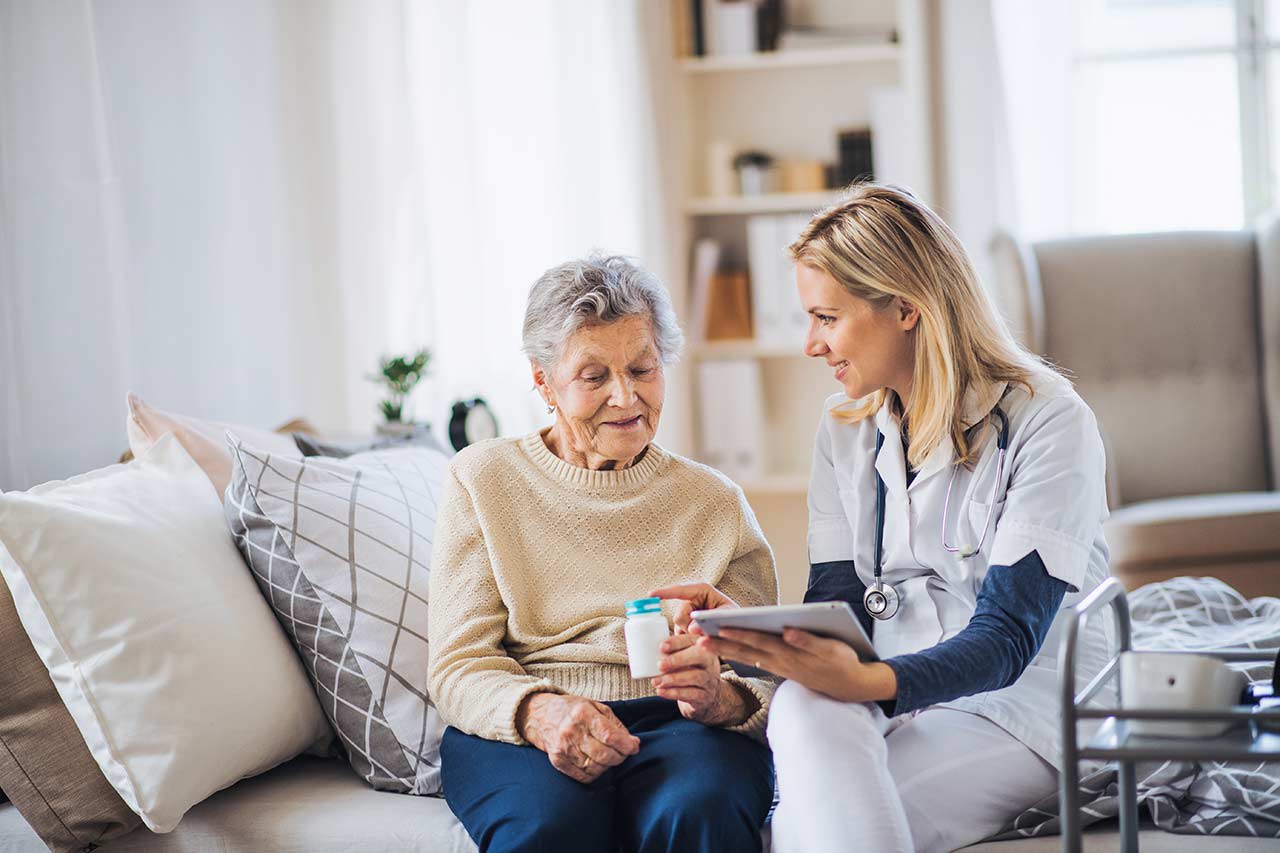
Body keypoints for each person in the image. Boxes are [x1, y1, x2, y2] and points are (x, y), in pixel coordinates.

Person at [660, 184, 1113, 853]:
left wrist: (868, 682)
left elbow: (1008, 638)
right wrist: (756, 637)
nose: (812, 345)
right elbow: (839, 609)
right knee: (805, 705)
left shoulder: (1048, 419)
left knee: (802, 827)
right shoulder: (843, 427)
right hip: (897, 695)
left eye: (826, 317)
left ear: (904, 307)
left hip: (1024, 704)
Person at [426, 254, 778, 853]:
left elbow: (767, 674)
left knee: (700, 814)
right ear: (543, 381)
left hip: (680, 721)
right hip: (530, 715)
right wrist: (539, 713)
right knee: (547, 828)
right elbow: (460, 665)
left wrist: (722, 697)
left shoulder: (714, 502)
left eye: (643, 368)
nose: (626, 396)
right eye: (594, 377)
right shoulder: (481, 480)